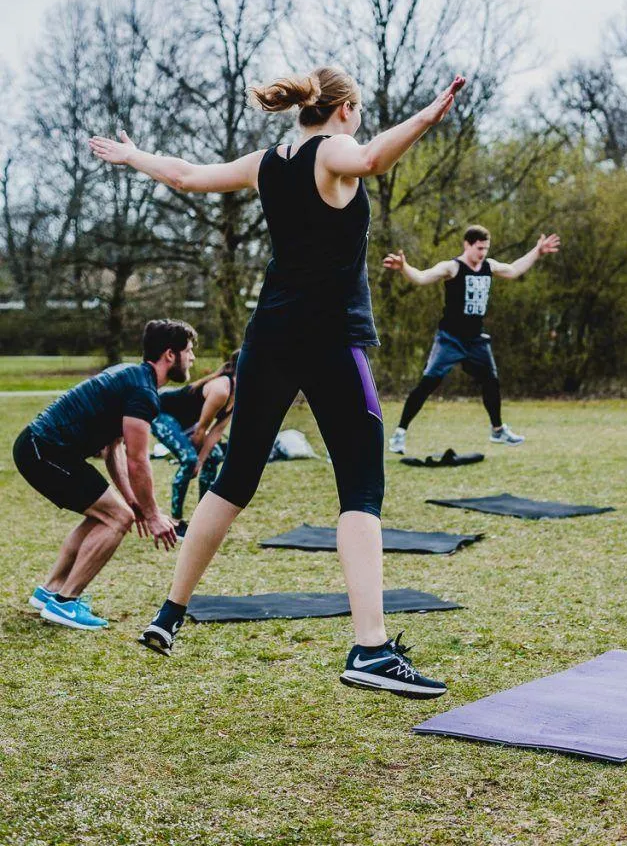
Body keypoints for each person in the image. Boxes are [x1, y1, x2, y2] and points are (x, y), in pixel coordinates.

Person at [89, 65, 466, 698]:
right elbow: (372, 158)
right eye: (360, 110)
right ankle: (371, 649)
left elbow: (186, 175)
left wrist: (132, 156)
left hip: (268, 338)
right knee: (362, 487)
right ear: (343, 109)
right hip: (328, 340)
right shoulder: (335, 152)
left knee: (235, 479)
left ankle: (170, 613)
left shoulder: (268, 161)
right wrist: (429, 115)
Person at [11, 319, 193, 629]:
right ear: (170, 355)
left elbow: (114, 450)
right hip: (45, 450)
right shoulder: (143, 392)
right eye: (189, 351)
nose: (192, 359)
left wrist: (134, 502)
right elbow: (138, 461)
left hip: (40, 448)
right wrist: (151, 515)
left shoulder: (131, 376)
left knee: (108, 514)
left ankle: (50, 591)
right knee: (117, 518)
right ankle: (65, 603)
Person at [384, 226, 561, 454]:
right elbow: (421, 277)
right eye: (479, 248)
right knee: (428, 383)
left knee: (491, 381)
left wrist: (537, 251)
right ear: (467, 245)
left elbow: (514, 270)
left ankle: (497, 430)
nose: (483, 253)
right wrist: (404, 267)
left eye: (486, 248)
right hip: (450, 339)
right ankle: (399, 434)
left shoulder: (489, 266)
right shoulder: (452, 267)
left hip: (476, 340)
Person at [152, 351, 239, 539]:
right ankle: (175, 522)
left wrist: (203, 459)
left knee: (214, 455)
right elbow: (201, 430)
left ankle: (203, 519)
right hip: (161, 412)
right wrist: (197, 461)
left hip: (187, 423)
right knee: (189, 460)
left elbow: (215, 432)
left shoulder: (239, 396)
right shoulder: (221, 389)